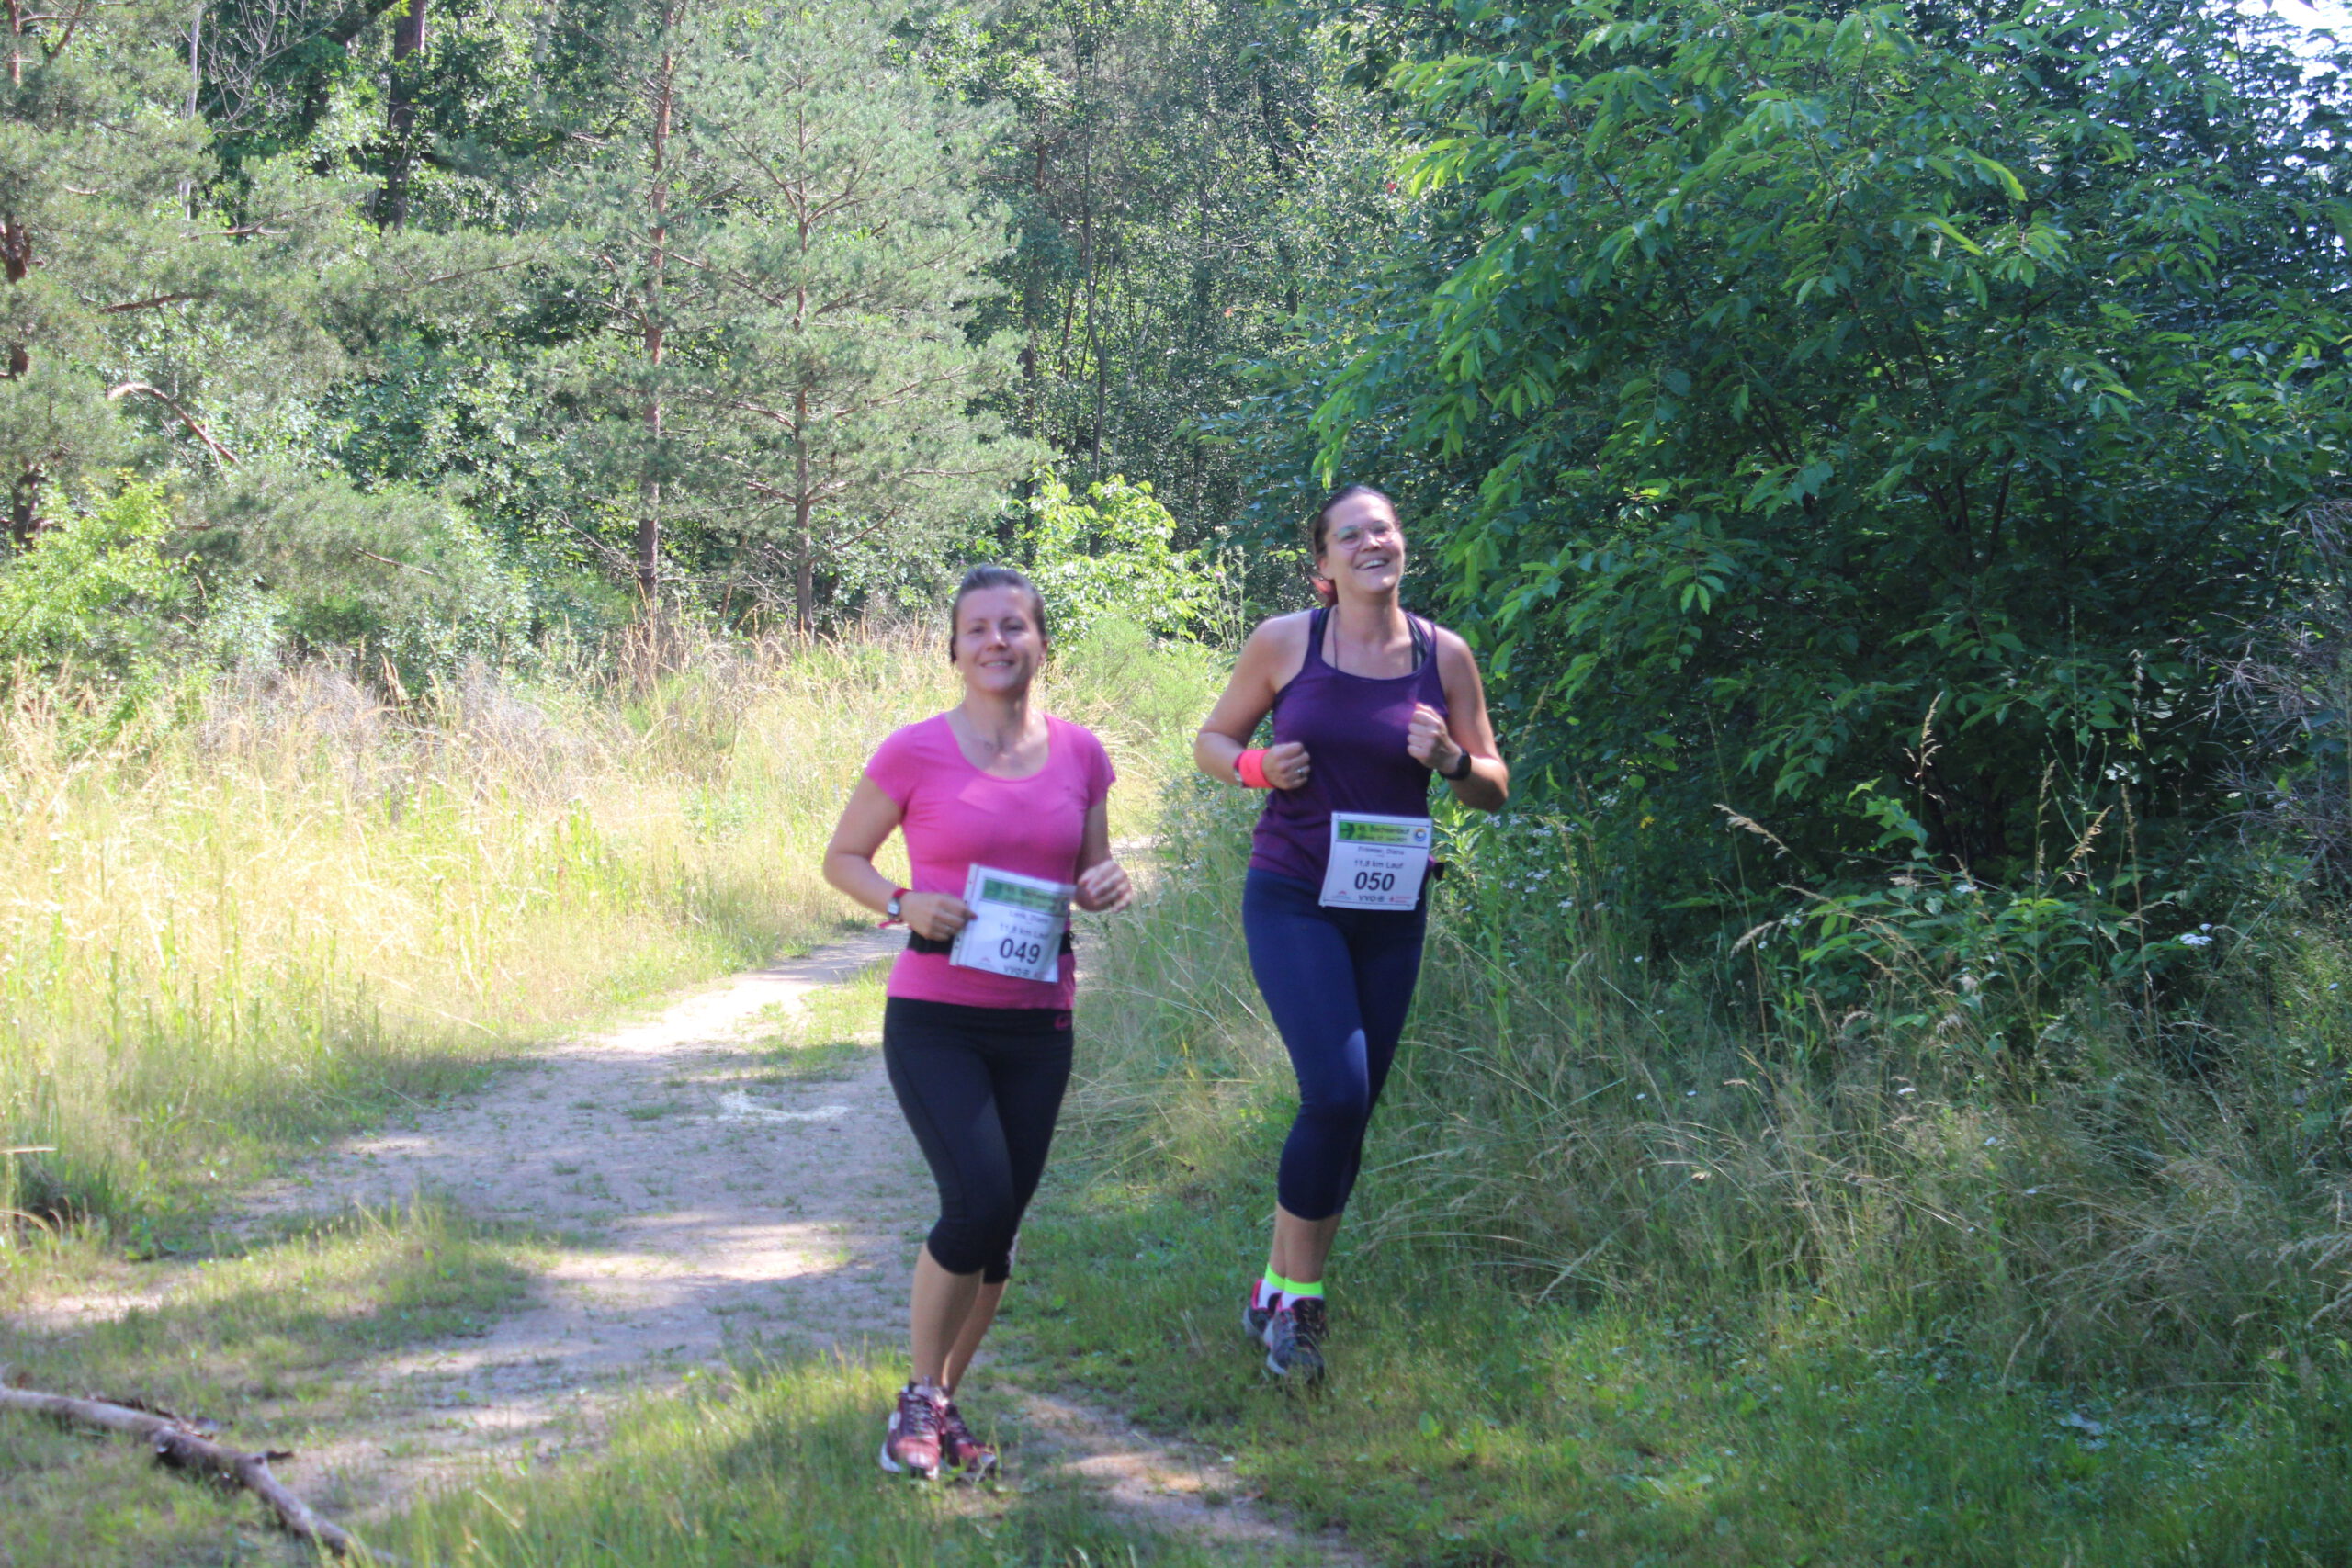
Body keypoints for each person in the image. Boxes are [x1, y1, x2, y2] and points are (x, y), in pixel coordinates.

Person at [1193, 484, 1508, 1382]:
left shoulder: (1444, 655)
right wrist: (1257, 765)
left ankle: (1275, 1292)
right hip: (1294, 894)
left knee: (1352, 1108)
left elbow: (1493, 784)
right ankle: (1300, 1305)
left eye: (1384, 528)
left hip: (1391, 907)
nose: (1373, 542)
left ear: (1402, 544)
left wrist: (1452, 759)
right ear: (1322, 566)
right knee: (1333, 1091)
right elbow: (1211, 742)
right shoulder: (1286, 642)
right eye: (1351, 534)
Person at [824, 565, 1133, 1478]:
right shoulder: (913, 751)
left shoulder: (1082, 754)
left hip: (1039, 1024)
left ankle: (946, 1402)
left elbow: (1090, 871)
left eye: (1013, 626)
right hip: (937, 1018)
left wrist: (1105, 885)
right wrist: (900, 902)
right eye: (977, 629)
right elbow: (843, 857)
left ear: (1042, 642)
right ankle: (916, 1401)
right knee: (976, 1203)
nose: (996, 641)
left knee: (1000, 1229)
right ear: (954, 651)